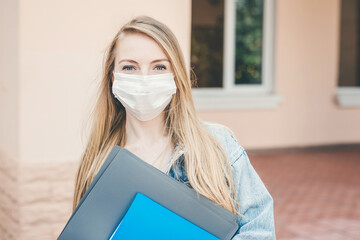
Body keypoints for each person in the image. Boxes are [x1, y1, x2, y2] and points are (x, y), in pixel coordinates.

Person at [73, 16, 275, 239]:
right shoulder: (97, 161)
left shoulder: (219, 145)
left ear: (175, 77)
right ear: (113, 79)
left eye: (159, 66)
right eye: (129, 67)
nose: (144, 79)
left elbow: (259, 228)